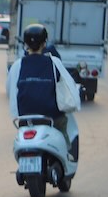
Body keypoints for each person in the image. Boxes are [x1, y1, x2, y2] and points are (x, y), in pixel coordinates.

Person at [7, 23, 80, 157]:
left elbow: (9, 89)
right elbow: (68, 85)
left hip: (25, 119)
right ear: (44, 43)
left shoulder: (17, 65)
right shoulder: (54, 62)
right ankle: (66, 155)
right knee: (63, 129)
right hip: (52, 118)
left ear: (26, 44)